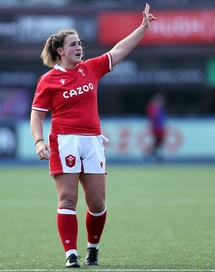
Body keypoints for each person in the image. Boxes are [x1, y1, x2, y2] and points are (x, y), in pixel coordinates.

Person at [30, 4, 157, 268]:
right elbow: (37, 115)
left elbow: (118, 51)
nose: (79, 48)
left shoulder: (91, 69)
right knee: (67, 198)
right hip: (65, 141)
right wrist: (39, 141)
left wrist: (142, 28)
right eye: (73, 44)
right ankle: (71, 254)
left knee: (97, 202)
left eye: (80, 44)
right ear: (60, 51)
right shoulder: (48, 80)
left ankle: (93, 249)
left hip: (93, 141)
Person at [146, 93, 166, 161]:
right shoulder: (153, 108)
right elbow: (154, 118)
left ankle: (155, 156)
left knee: (158, 143)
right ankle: (153, 156)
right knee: (157, 143)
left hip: (159, 128)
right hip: (157, 129)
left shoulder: (159, 108)